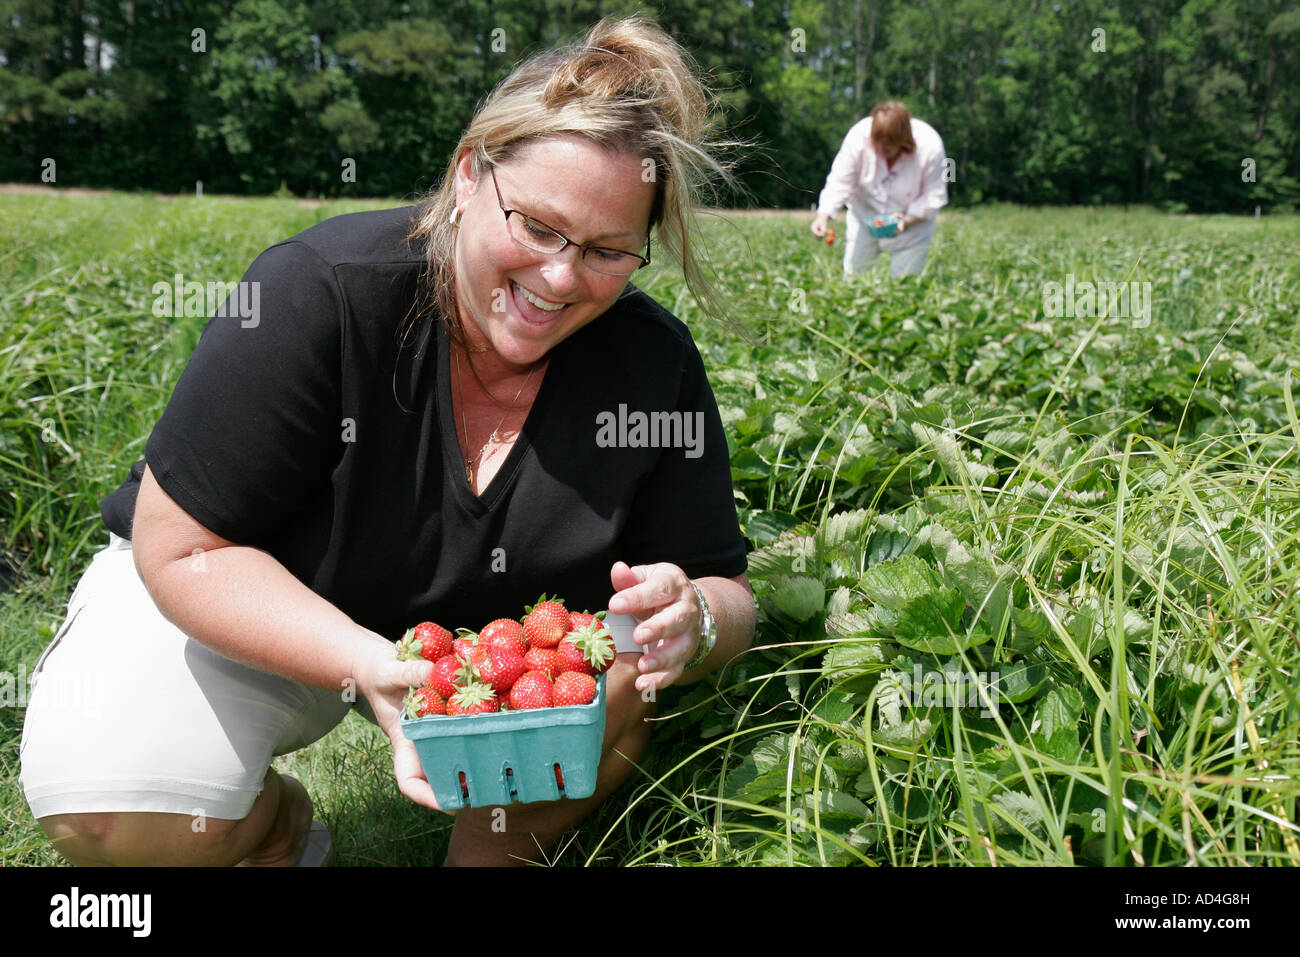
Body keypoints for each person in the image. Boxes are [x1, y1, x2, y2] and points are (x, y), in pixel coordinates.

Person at [19, 16, 755, 867]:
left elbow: (725, 586)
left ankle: (493, 856)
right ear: (468, 175)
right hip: (263, 602)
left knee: (621, 649)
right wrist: (368, 663)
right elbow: (181, 548)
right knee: (106, 802)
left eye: (607, 251)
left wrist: (693, 615)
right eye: (539, 226)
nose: (560, 277)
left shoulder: (650, 365)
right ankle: (274, 833)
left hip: (493, 664)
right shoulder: (320, 293)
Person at [810, 101, 948, 278]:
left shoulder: (930, 146)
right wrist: (823, 215)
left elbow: (934, 195)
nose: (882, 149)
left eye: (889, 144)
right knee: (854, 277)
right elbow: (840, 181)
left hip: (913, 226)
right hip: (865, 217)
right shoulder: (857, 137)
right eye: (877, 142)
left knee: (905, 285)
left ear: (904, 138)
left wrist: (907, 220)